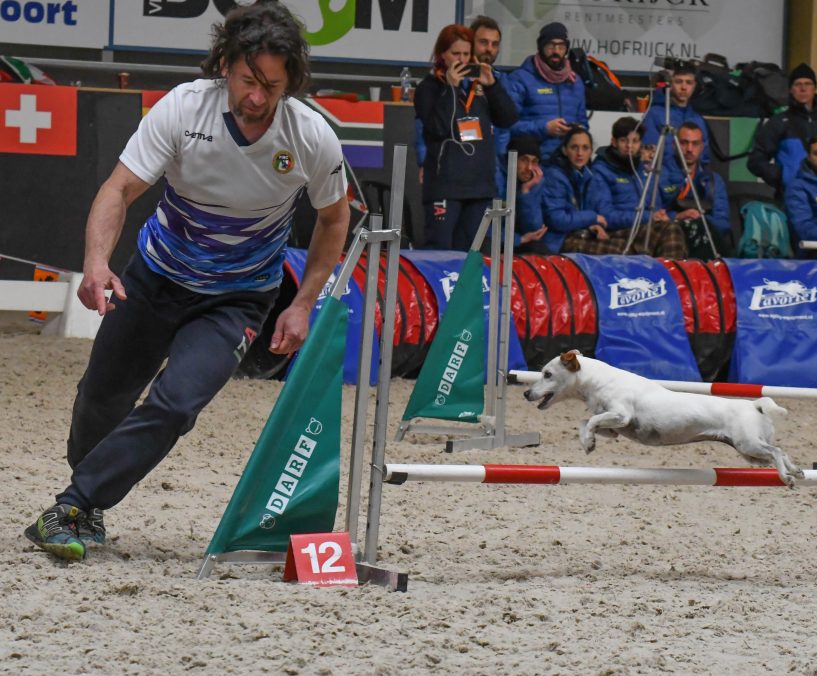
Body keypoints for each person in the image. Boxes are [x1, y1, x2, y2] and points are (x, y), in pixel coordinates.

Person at [24, 1, 351, 561]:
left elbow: (334, 219)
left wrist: (302, 303)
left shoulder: (312, 136)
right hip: (154, 278)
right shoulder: (182, 108)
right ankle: (90, 503)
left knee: (177, 405)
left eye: (272, 85)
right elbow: (118, 190)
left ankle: (73, 505)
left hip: (239, 298)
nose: (257, 97)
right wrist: (98, 262)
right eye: (248, 80)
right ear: (224, 64)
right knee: (100, 401)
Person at [415, 23, 517, 250]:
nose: (461, 59)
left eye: (466, 54)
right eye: (455, 54)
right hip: (445, 185)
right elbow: (437, 128)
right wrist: (450, 88)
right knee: (439, 251)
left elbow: (508, 118)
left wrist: (492, 86)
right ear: (442, 55)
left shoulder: (478, 86)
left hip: (479, 185)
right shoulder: (428, 88)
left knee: (471, 253)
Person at [415, 15, 505, 177]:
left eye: (495, 44)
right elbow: (426, 126)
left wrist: (498, 164)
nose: (489, 49)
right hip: (451, 165)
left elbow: (507, 124)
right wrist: (424, 161)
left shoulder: (498, 81)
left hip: (490, 167)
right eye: (483, 42)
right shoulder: (440, 82)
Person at [747, 63, 817, 195]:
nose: (803, 88)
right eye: (798, 84)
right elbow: (756, 160)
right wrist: (783, 176)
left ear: (815, 88)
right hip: (790, 196)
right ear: (791, 90)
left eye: (808, 84)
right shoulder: (778, 122)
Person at [591, 117, 688, 259]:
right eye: (624, 140)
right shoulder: (601, 171)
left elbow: (660, 204)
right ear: (613, 142)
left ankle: (672, 277)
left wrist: (666, 216)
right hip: (618, 231)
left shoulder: (643, 169)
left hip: (644, 228)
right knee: (670, 231)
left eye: (635, 141)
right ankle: (671, 278)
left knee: (680, 228)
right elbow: (606, 216)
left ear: (640, 143)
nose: (629, 146)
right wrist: (649, 218)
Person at [504, 22, 588, 161]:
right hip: (533, 164)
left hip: (567, 164)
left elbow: (583, 123)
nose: (556, 51)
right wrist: (544, 128)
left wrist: (577, 129)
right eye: (550, 46)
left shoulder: (575, 81)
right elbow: (508, 125)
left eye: (561, 46)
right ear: (540, 47)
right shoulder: (519, 79)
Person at [658, 122, 731, 258]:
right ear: (675, 145)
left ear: (702, 147)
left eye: (695, 143)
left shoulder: (714, 180)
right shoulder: (659, 176)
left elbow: (723, 223)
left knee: (700, 228)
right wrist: (679, 217)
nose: (689, 149)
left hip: (707, 239)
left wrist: (697, 219)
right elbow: (655, 216)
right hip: (670, 237)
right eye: (684, 143)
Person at [540, 126, 613, 253]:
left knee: (629, 247)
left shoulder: (590, 176)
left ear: (591, 151)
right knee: (616, 253)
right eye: (574, 147)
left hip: (582, 233)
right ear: (564, 150)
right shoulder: (554, 176)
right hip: (558, 240)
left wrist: (593, 225)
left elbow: (599, 212)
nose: (580, 153)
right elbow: (557, 219)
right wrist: (592, 218)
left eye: (585, 148)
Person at [640, 61, 710, 165]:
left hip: (691, 179)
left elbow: (704, 158)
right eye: (678, 81)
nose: (684, 87)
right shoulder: (654, 114)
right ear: (670, 84)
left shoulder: (698, 119)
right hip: (663, 178)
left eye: (689, 82)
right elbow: (650, 156)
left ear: (695, 86)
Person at [497, 135, 550, 254]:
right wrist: (519, 239)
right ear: (510, 159)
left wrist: (526, 192)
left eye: (534, 162)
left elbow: (534, 229)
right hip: (493, 242)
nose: (529, 168)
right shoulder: (498, 178)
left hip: (514, 242)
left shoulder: (534, 182)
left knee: (540, 252)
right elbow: (486, 227)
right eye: (524, 160)